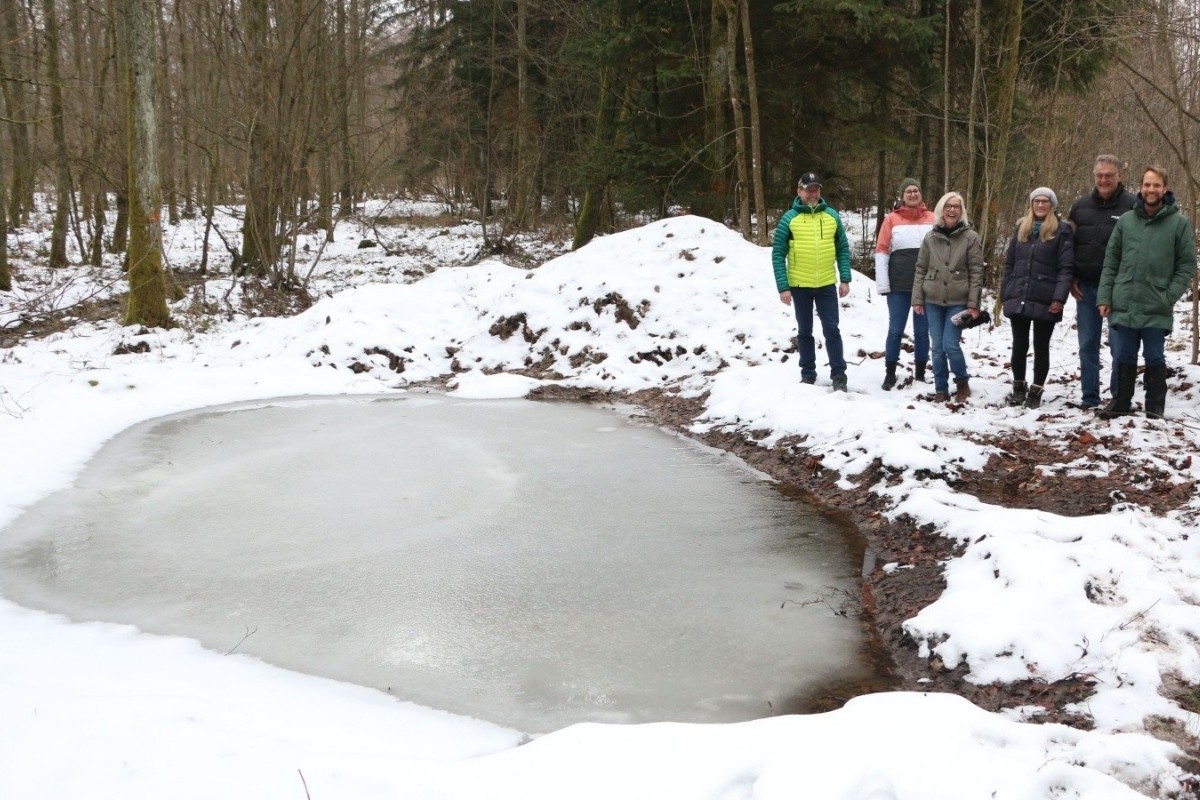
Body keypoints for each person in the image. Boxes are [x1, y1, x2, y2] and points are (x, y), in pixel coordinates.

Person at [1097, 166, 1197, 419]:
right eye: (1147, 185)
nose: (1151, 190)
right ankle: (1120, 402)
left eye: (1156, 185)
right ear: (1140, 187)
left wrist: (1169, 295)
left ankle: (1154, 407)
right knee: (1124, 355)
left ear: (1165, 189)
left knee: (1154, 357)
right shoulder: (1127, 221)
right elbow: (1111, 261)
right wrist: (1105, 296)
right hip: (1125, 302)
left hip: (1156, 305)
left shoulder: (1179, 223)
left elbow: (1187, 265)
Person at [772, 171, 852, 391]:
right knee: (805, 330)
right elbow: (778, 253)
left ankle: (839, 375)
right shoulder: (789, 218)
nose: (813, 193)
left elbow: (843, 249)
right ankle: (808, 373)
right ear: (799, 191)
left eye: (816, 189)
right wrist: (783, 287)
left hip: (826, 283)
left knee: (832, 330)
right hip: (799, 285)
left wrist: (845, 278)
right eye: (808, 189)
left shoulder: (832, 216)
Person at [1067, 155, 1136, 409]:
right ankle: (1090, 397)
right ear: (1094, 176)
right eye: (1099, 175)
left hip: (1119, 289)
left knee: (1119, 347)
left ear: (1119, 176)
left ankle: (1118, 398)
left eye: (1109, 175)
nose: (1104, 180)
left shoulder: (1132, 206)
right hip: (1085, 287)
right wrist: (1072, 275)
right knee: (1087, 344)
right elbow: (1070, 245)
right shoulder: (1080, 206)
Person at [1001, 188, 1075, 408]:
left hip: (1046, 298)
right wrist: (1006, 292)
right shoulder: (1021, 228)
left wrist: (1059, 298)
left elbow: (1066, 267)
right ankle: (1018, 387)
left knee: (1041, 345)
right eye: (1037, 201)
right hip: (1019, 295)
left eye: (1045, 201)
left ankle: (1036, 390)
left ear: (1052, 205)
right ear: (1031, 204)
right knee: (1019, 344)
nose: (1041, 205)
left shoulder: (1062, 231)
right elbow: (1010, 263)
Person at [912, 192, 985, 403]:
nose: (952, 210)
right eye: (948, 206)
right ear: (941, 210)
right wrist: (917, 298)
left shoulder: (970, 237)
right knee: (936, 348)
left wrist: (973, 304)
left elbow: (977, 271)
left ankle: (962, 382)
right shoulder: (930, 237)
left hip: (958, 300)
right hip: (932, 299)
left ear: (961, 211)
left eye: (956, 207)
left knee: (950, 345)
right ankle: (940, 389)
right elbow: (920, 269)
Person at [874, 178, 935, 389]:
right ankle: (890, 373)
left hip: (926, 286)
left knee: (922, 332)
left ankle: (919, 374)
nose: (912, 194)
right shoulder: (891, 220)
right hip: (898, 285)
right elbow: (881, 252)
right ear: (902, 195)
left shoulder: (933, 219)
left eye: (916, 190)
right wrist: (883, 284)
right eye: (908, 191)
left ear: (921, 194)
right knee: (895, 330)